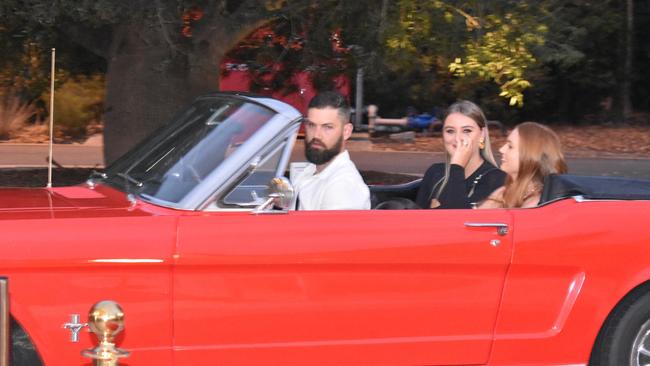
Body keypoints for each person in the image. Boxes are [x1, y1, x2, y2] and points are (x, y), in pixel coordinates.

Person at [415, 100, 506, 209]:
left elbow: (459, 219)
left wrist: (457, 166)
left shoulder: (497, 178)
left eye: (467, 131)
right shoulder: (434, 172)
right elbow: (417, 220)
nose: (457, 138)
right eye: (450, 131)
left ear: (482, 134)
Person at [291, 91, 370, 210]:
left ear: (346, 132)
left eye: (327, 127)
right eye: (312, 125)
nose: (317, 135)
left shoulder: (343, 187)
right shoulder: (310, 171)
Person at [479, 122, 568, 208]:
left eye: (510, 146)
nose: (501, 149)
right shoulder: (504, 192)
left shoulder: (535, 206)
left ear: (530, 155)